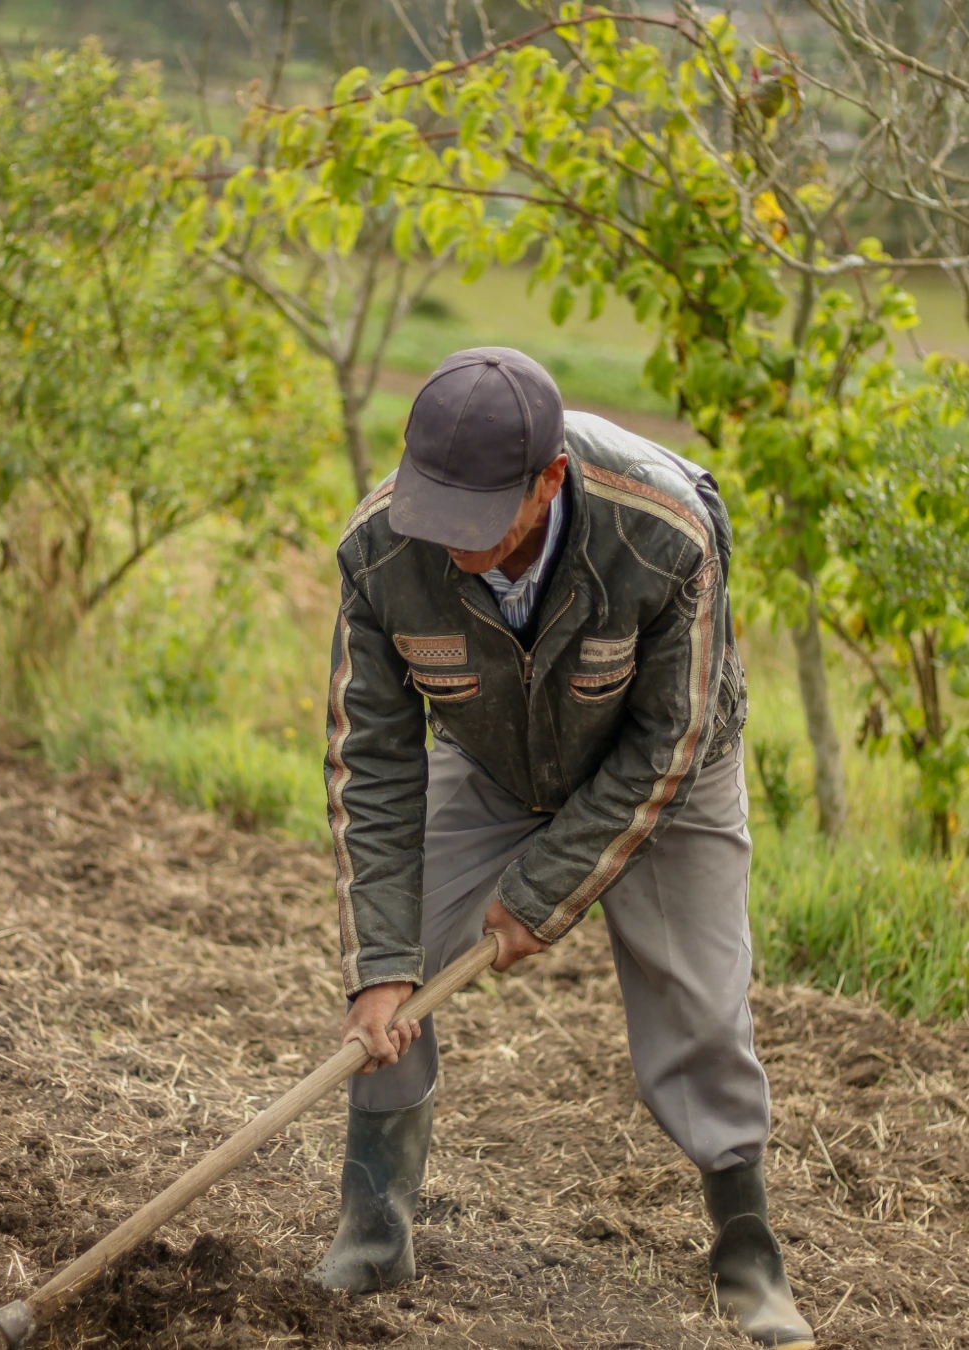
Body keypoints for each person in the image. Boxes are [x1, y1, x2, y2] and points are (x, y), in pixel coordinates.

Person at [309, 347, 814, 1349]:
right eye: (435, 510)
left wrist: (542, 892)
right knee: (392, 962)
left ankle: (747, 1252)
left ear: (548, 481)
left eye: (476, 519)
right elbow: (370, 762)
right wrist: (381, 964)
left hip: (664, 766)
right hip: (494, 755)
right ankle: (372, 1234)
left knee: (700, 997)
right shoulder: (379, 551)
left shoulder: (662, 532)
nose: (449, 543)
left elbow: (669, 741)